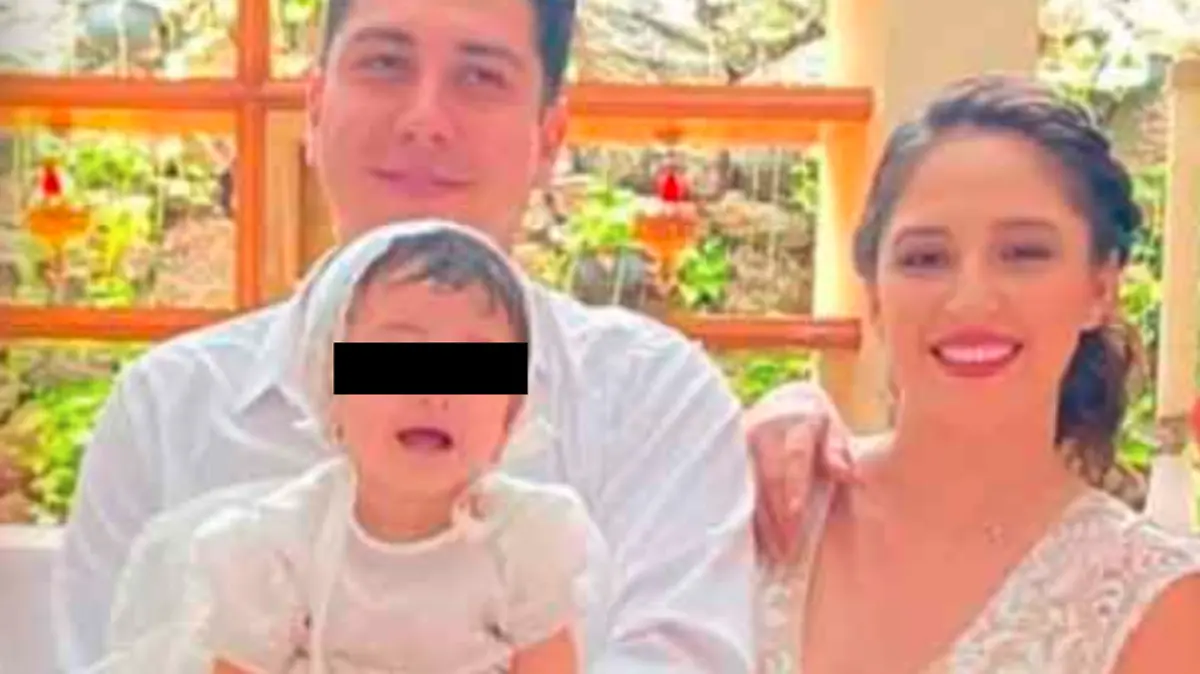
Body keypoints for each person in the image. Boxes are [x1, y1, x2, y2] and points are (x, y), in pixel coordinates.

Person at [54, 0, 756, 671]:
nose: (424, 120)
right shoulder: (168, 410)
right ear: (316, 108)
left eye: (480, 76)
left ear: (549, 136)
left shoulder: (650, 404)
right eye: (385, 64)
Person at [755, 75, 1200, 673]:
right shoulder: (764, 506)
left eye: (1024, 253)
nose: (970, 300)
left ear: (1101, 288)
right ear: (876, 296)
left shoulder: (1157, 603)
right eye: (925, 258)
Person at [92, 221, 596, 673]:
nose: (433, 391)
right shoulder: (277, 547)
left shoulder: (527, 540)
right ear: (328, 387)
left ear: (512, 413)